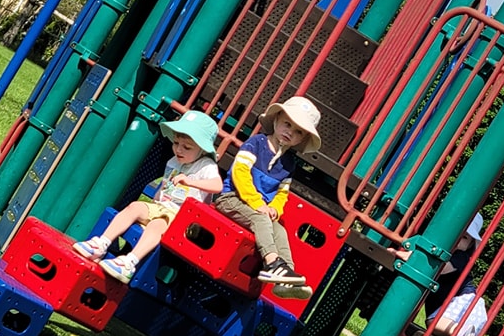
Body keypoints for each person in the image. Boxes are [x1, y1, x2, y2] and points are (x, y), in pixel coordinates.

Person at [73, 110, 223, 283]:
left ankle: (129, 262)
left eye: (187, 147)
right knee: (134, 207)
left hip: (183, 219)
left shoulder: (206, 165)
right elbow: (164, 189)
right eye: (176, 143)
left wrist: (190, 182)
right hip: (162, 207)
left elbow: (217, 185)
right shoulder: (173, 162)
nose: (178, 149)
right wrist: (157, 198)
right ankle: (100, 244)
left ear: (203, 150)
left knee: (157, 225)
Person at [213, 95, 321, 299]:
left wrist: (275, 209)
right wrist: (257, 203)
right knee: (260, 218)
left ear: (302, 139)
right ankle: (272, 264)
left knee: (279, 229)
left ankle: (285, 279)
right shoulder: (257, 143)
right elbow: (240, 173)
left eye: (298, 132)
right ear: (276, 120)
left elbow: (282, 193)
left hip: (258, 208)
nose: (290, 132)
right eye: (287, 124)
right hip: (231, 199)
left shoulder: (289, 163)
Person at [424, 213, 488, 336]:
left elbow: (439, 269)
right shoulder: (450, 250)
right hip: (463, 307)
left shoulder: (460, 257)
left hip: (464, 302)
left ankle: (458, 332)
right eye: (459, 233)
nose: (460, 239)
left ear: (470, 245)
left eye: (466, 238)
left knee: (433, 324)